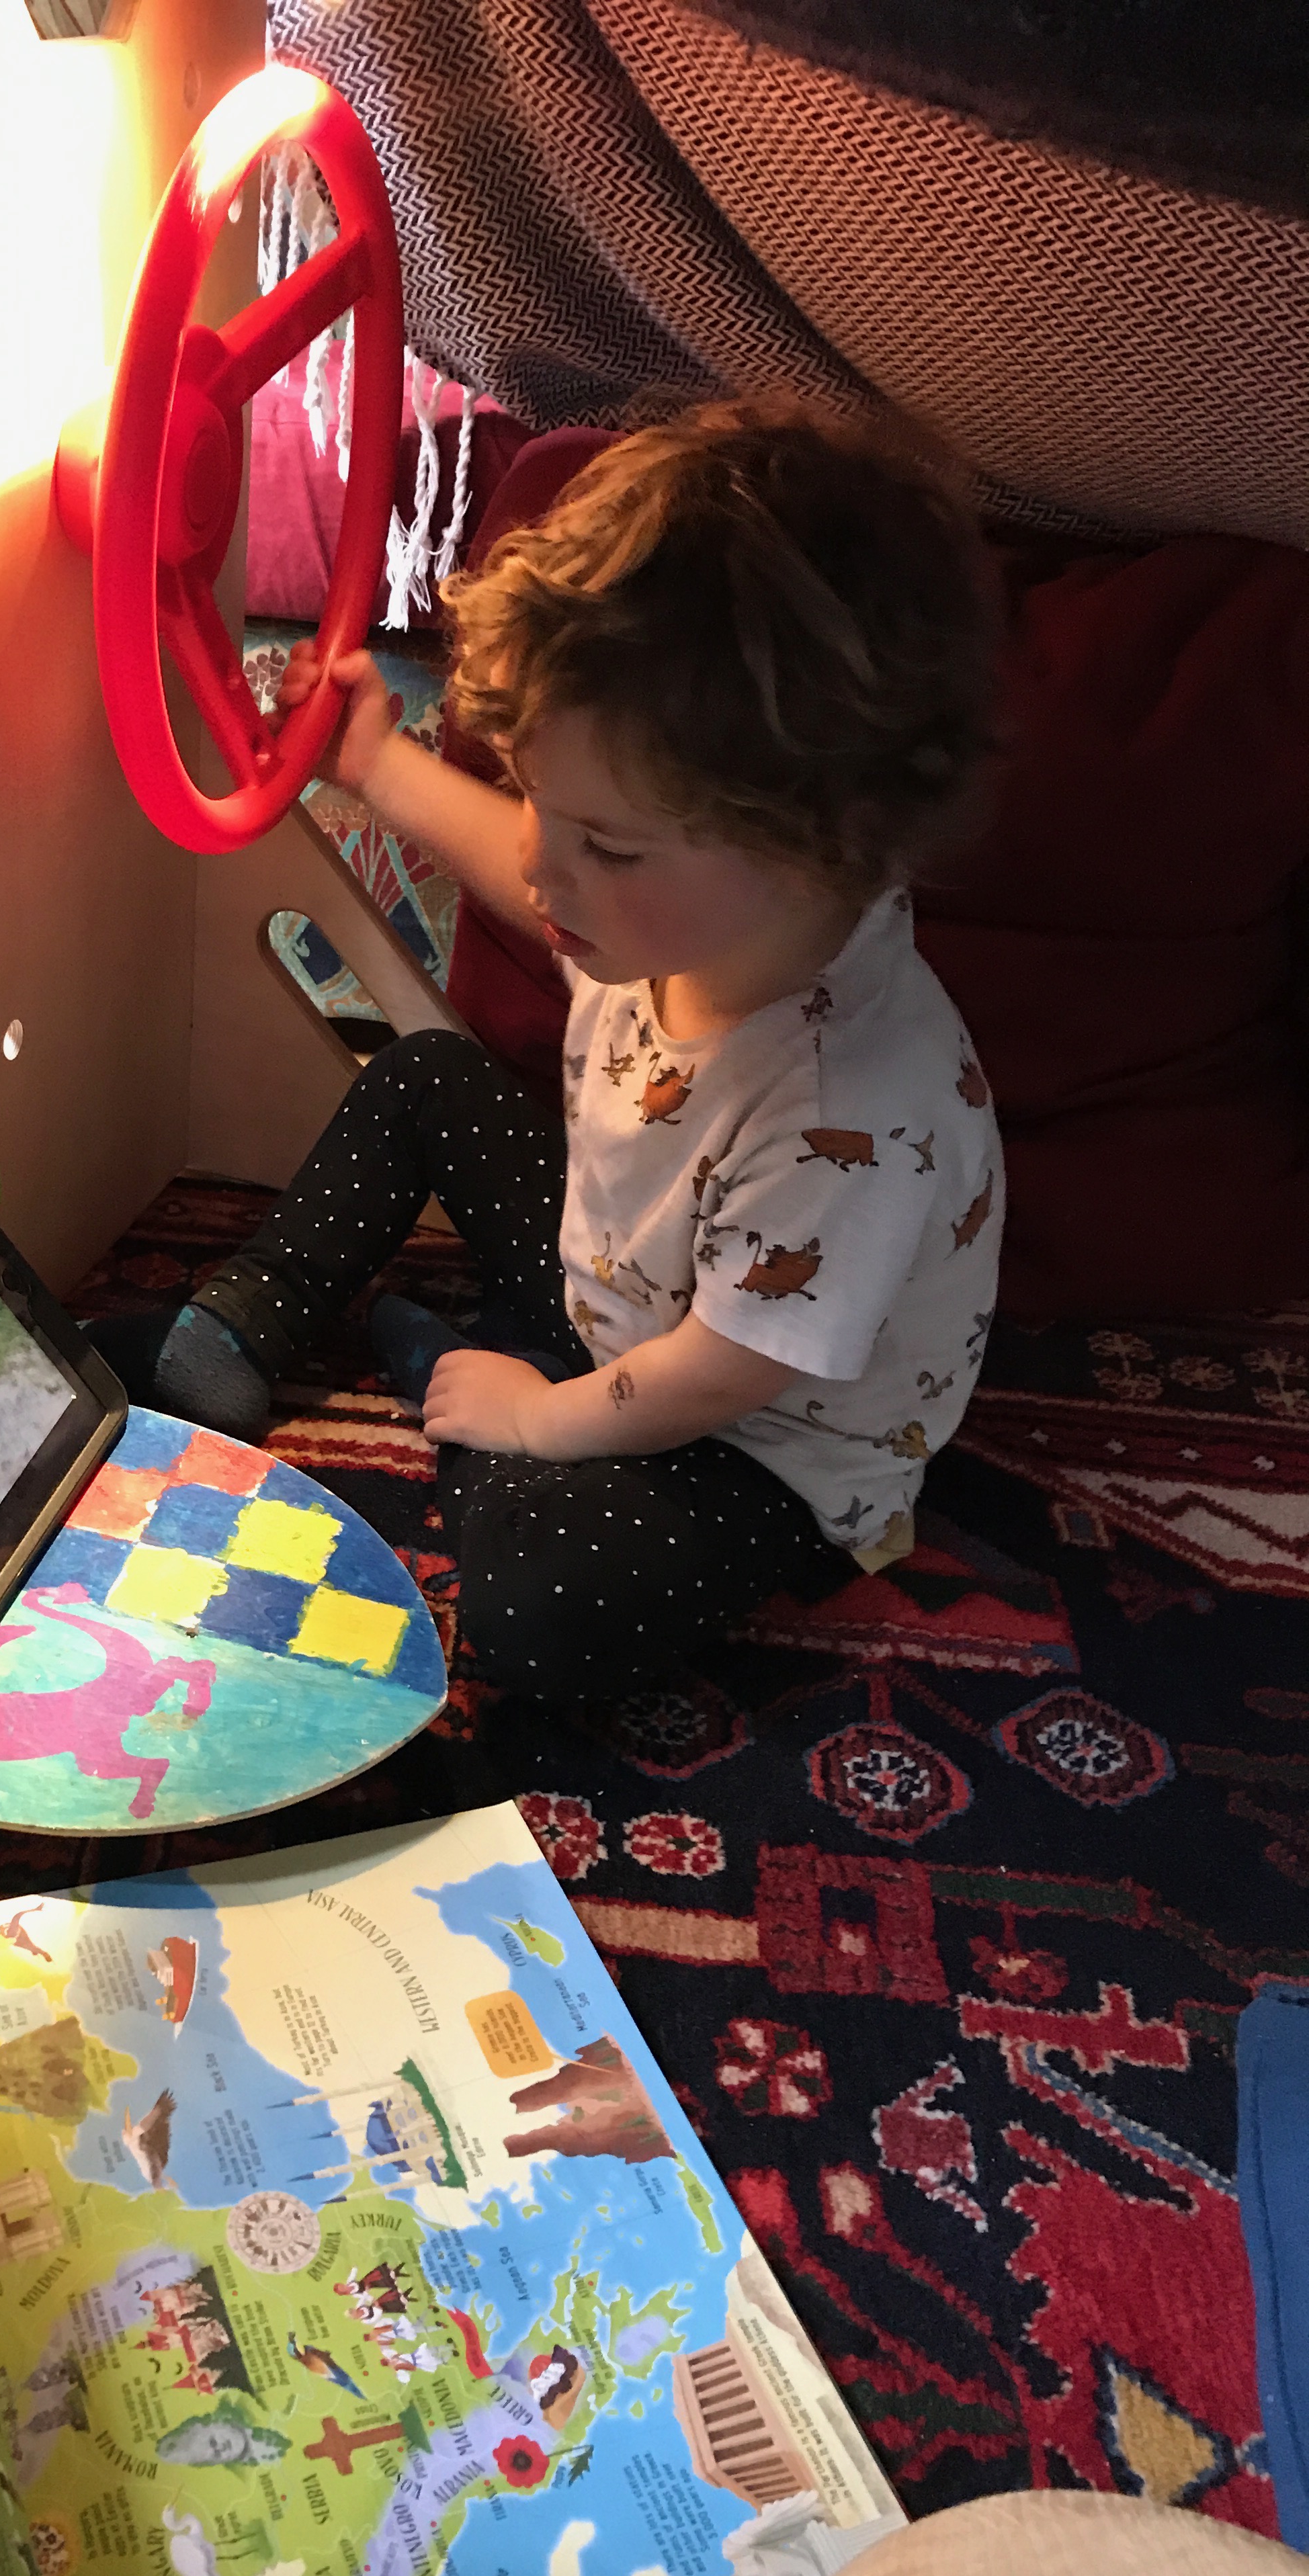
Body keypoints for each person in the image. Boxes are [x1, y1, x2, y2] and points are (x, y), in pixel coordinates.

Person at [99, 398, 1007, 1703]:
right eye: (541, 803)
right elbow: (539, 872)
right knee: (423, 1076)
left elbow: (724, 1371)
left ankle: (456, 1372)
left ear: (819, 846)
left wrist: (536, 1419)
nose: (544, 868)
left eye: (608, 847)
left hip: (757, 1432)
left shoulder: (847, 1105)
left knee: (541, 1611)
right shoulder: (694, 902)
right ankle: (240, 1326)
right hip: (619, 1280)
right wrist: (375, 766)